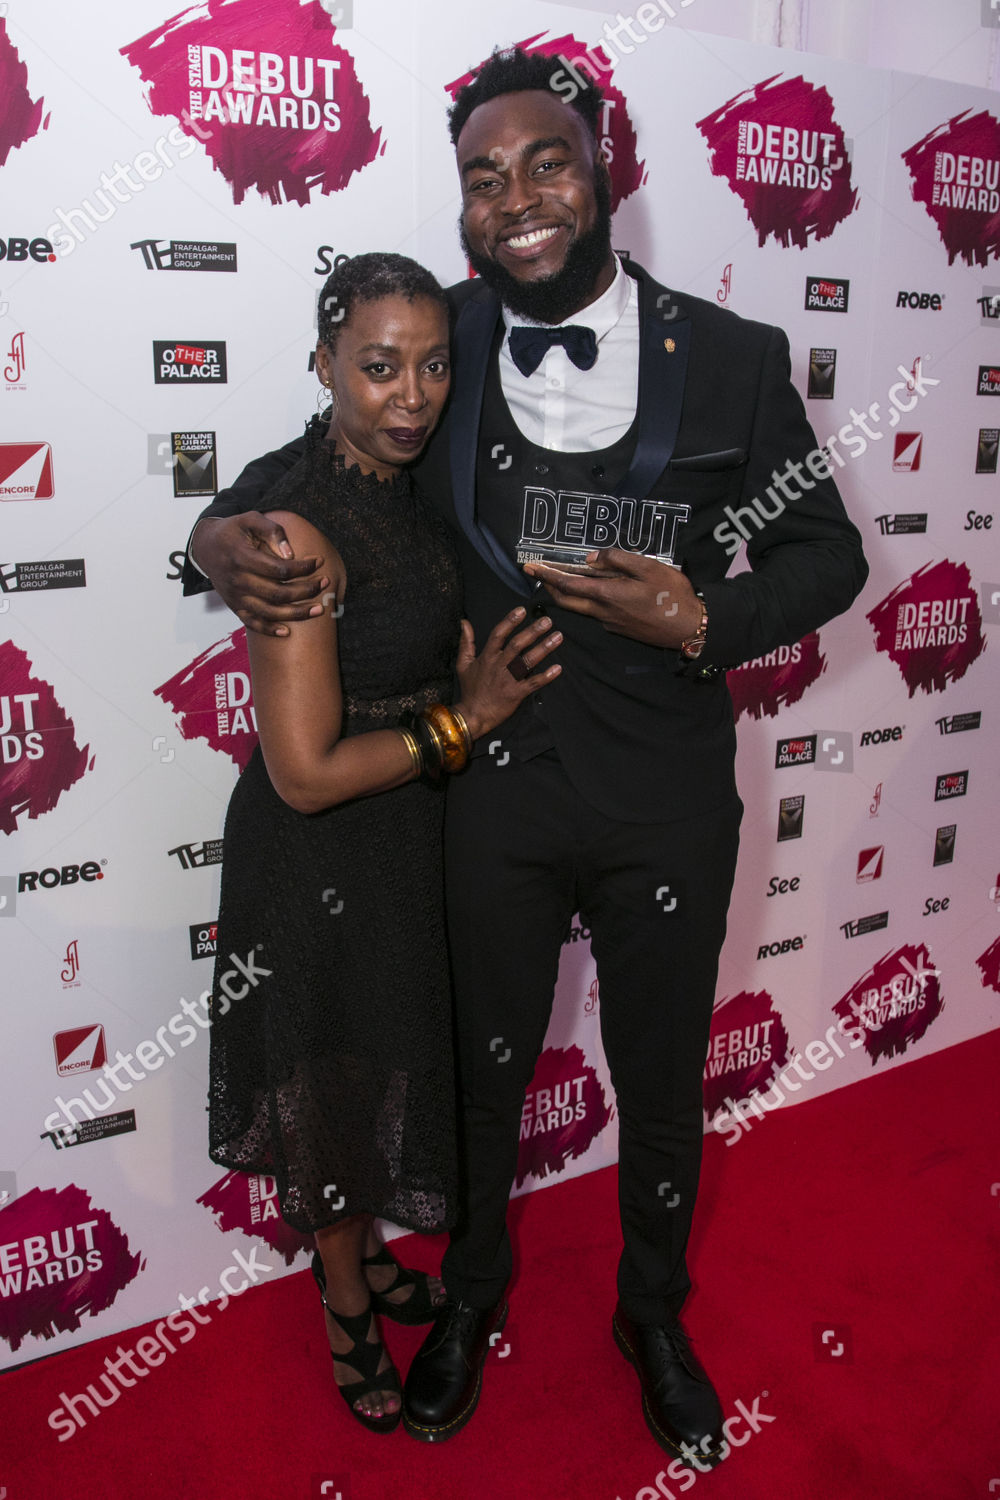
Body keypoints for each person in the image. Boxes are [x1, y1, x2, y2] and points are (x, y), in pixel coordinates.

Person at [185, 50, 868, 1463]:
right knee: (479, 1077)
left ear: (603, 165)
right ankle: (473, 1294)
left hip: (667, 801)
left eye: (544, 161)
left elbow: (831, 553)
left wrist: (710, 614)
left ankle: (654, 1316)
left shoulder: (732, 359)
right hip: (482, 801)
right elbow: (314, 469)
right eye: (482, 180)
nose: (518, 200)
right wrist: (206, 542)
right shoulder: (439, 349)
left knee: (662, 1078)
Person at [204, 251, 561, 1436]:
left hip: (410, 844)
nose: (409, 395)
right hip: (322, 860)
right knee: (339, 1088)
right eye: (375, 367)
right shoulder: (297, 524)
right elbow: (303, 774)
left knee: (391, 1066)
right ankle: (345, 1297)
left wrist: (449, 691)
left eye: (430, 365)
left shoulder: (415, 487)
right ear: (323, 368)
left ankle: (356, 1265)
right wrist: (467, 716)